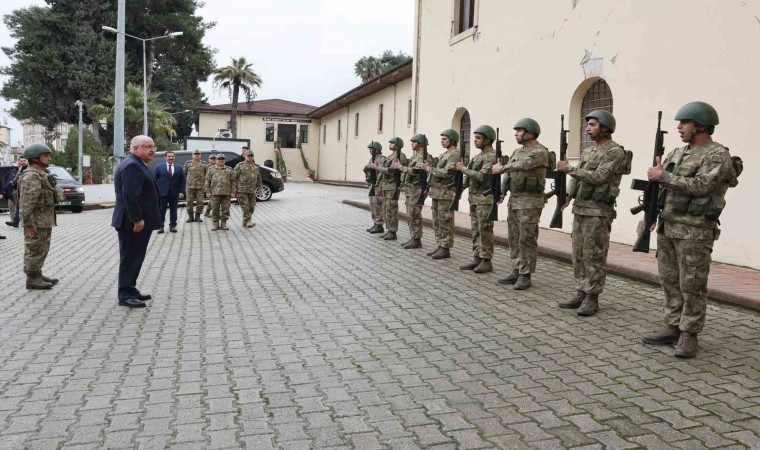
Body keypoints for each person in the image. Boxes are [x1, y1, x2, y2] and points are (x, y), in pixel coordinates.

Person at [641, 102, 739, 358]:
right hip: (668, 226)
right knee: (669, 281)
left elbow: (702, 185)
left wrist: (663, 176)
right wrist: (649, 215)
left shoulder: (717, 154)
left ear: (702, 125)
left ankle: (689, 334)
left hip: (695, 231)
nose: (679, 127)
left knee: (692, 284)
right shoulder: (676, 152)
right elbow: (661, 188)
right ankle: (673, 327)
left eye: (684, 123)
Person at [556, 110, 627, 316]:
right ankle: (581, 290)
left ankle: (592, 297)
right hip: (581, 208)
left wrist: (568, 169)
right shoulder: (588, 152)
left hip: (598, 211)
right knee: (578, 253)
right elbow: (578, 178)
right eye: (588, 125)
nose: (587, 128)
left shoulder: (614, 152)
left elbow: (599, 176)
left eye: (593, 125)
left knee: (593, 254)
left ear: (605, 127)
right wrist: (568, 196)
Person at [491, 118, 551, 290]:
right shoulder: (518, 151)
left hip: (530, 202)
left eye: (519, 131)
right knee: (514, 237)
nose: (516, 134)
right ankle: (517, 269)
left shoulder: (540, 151)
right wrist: (502, 192)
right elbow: (510, 174)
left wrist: (501, 169)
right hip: (515, 200)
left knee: (527, 239)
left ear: (530, 133)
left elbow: (523, 165)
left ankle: (526, 275)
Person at [112, 135, 161, 307]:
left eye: (153, 146)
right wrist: (138, 219)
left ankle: (130, 289)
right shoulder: (132, 165)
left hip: (135, 221)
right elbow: (130, 196)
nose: (152, 149)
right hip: (131, 222)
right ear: (135, 148)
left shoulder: (137, 163)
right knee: (130, 257)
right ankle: (125, 294)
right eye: (147, 146)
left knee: (135, 257)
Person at [454, 125, 498, 273]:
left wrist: (463, 169)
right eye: (475, 138)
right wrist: (460, 188)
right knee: (475, 229)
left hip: (485, 198)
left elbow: (482, 176)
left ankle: (486, 260)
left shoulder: (492, 156)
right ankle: (477, 257)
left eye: (478, 138)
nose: (475, 141)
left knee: (484, 229)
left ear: (488, 140)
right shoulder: (477, 156)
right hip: (474, 198)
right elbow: (469, 177)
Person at [18, 145, 62, 288]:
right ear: (35, 158)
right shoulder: (31, 176)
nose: (49, 158)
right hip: (36, 222)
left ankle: (37, 273)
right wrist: (29, 225)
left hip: (44, 220)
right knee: (34, 249)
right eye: (46, 155)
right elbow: (26, 204)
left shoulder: (42, 174)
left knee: (42, 248)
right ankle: (31, 279)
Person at [425, 129, 461, 259]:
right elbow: (436, 172)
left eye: (444, 139)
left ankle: (446, 248)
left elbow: (446, 172)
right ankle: (440, 244)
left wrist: (428, 168)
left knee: (445, 220)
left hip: (446, 192)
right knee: (437, 220)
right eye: (441, 139)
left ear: (452, 140)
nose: (442, 141)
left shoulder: (455, 154)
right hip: (437, 191)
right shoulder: (443, 154)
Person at [393, 135, 428, 249]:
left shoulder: (425, 158)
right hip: (410, 190)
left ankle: (417, 239)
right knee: (409, 215)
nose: (411, 144)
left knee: (414, 214)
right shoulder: (414, 157)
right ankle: (413, 237)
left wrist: (400, 167)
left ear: (421, 144)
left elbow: (415, 172)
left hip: (417, 190)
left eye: (414, 142)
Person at [372, 137, 407, 241]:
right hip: (386, 185)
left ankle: (393, 231)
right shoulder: (391, 156)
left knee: (391, 209)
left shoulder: (400, 155)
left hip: (393, 186)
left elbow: (391, 171)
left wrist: (377, 168)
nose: (390, 144)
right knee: (386, 209)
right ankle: (389, 230)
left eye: (392, 143)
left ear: (397, 145)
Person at [153, 151, 186, 233]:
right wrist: (156, 191)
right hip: (162, 193)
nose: (171, 158)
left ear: (174, 157)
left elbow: (183, 181)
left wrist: (182, 191)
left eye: (172, 156)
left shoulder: (179, 168)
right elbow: (153, 180)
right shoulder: (159, 167)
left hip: (174, 193)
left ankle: (173, 226)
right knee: (161, 210)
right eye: (169, 156)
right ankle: (161, 226)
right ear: (165, 157)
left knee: (173, 210)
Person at [205, 153, 236, 231]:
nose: (220, 160)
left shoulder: (229, 169)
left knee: (226, 209)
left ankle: (223, 223)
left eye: (222, 159)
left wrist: (233, 191)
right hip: (215, 193)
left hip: (226, 193)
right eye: (219, 159)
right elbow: (207, 181)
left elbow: (233, 181)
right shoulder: (211, 169)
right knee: (215, 209)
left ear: (224, 160)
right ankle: (215, 224)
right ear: (216, 160)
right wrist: (208, 191)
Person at [233, 149, 262, 228]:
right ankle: (248, 221)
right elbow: (234, 178)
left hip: (252, 190)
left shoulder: (255, 167)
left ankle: (245, 220)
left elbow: (259, 178)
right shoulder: (239, 165)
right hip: (242, 190)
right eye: (248, 156)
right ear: (244, 156)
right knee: (245, 207)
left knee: (252, 207)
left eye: (251, 156)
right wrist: (234, 189)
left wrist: (260, 188)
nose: (250, 157)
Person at [365, 141, 386, 234]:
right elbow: (367, 170)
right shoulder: (371, 159)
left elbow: (383, 173)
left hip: (378, 185)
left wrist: (381, 186)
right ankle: (375, 223)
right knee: (372, 204)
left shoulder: (382, 159)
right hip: (372, 185)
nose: (370, 150)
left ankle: (379, 225)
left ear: (377, 150)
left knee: (377, 205)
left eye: (371, 149)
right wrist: (368, 180)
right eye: (369, 149)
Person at [183, 149, 208, 223]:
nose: (197, 155)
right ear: (192, 155)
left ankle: (198, 216)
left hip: (200, 187)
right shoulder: (188, 163)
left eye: (198, 154)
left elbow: (207, 175)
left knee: (200, 202)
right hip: (190, 187)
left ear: (200, 155)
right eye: (195, 154)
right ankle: (190, 216)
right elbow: (184, 173)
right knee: (189, 202)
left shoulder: (204, 164)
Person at [6, 157, 28, 227]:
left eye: (24, 160)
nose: (23, 162)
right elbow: (17, 176)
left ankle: (18, 222)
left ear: (27, 161)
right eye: (22, 161)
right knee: (19, 206)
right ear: (19, 162)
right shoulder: (20, 168)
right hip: (19, 190)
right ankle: (16, 221)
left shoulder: (29, 168)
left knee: (25, 206)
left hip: (27, 190)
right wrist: (12, 182)